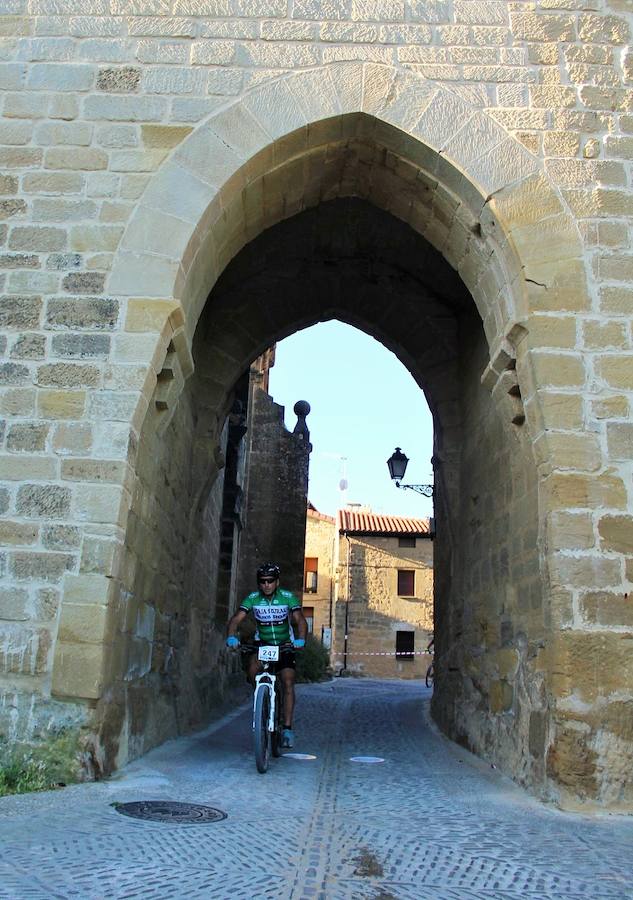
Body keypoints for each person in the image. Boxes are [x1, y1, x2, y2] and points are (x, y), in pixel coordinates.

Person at [226, 562, 307, 749]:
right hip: (263, 644)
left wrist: (301, 639)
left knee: (287, 680)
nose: (266, 585)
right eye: (262, 582)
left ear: (277, 582)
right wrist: (231, 636)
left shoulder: (287, 597)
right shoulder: (253, 598)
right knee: (252, 672)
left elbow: (300, 620)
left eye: (270, 581)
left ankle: (287, 728)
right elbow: (236, 618)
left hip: (285, 644)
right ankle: (263, 700)